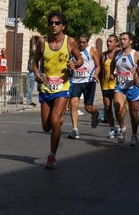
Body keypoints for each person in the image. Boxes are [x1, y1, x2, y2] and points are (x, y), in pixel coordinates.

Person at [32, 11, 83, 169]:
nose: (53, 25)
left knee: (54, 122)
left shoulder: (70, 42)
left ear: (63, 26)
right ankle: (58, 122)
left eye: (57, 23)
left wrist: (75, 64)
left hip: (63, 87)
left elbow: (80, 58)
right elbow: (34, 62)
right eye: (51, 23)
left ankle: (52, 156)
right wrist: (36, 73)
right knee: (46, 127)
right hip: (46, 88)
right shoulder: (42, 42)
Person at [109, 32, 139, 145]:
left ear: (130, 41)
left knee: (133, 113)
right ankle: (123, 129)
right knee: (117, 108)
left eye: (124, 39)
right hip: (120, 86)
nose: (122, 41)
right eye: (121, 39)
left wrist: (138, 76)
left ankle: (134, 135)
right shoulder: (117, 53)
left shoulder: (136, 54)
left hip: (132, 87)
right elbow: (112, 64)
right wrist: (112, 73)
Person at [67, 33, 100, 139]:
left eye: (83, 42)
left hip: (89, 81)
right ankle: (75, 130)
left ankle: (95, 114)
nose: (81, 44)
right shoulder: (73, 50)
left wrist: (96, 74)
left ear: (87, 42)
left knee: (88, 107)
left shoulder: (93, 50)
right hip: (76, 81)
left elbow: (98, 66)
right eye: (79, 42)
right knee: (74, 104)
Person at [99, 34, 120, 138]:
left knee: (117, 108)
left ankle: (120, 126)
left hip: (117, 86)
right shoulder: (103, 55)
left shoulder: (120, 54)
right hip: (106, 85)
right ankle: (112, 128)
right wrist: (99, 80)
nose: (108, 43)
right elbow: (100, 69)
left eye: (111, 41)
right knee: (107, 108)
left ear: (116, 43)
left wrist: (116, 74)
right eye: (107, 41)